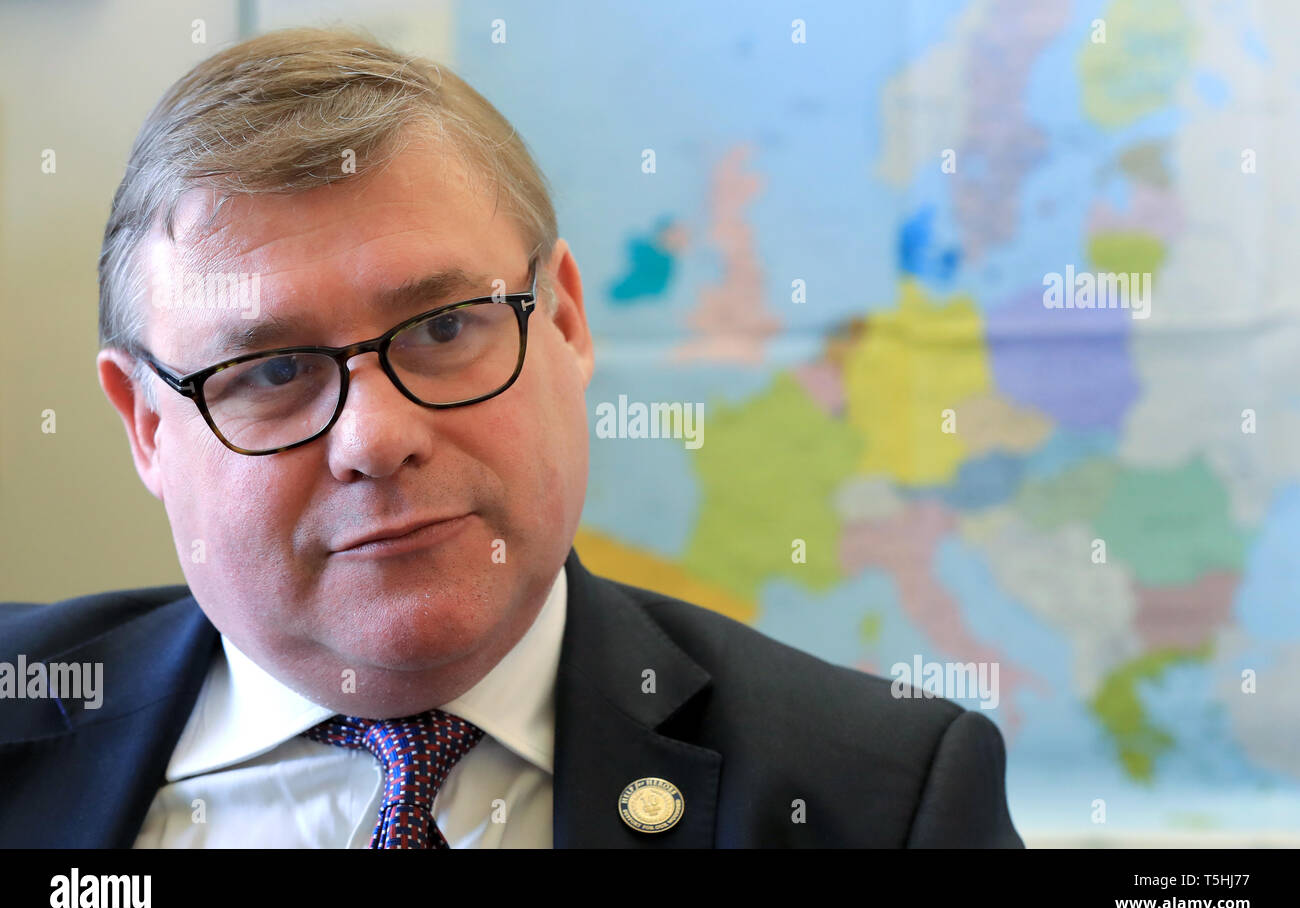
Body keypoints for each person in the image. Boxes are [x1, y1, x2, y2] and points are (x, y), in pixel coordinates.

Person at [0, 27, 1024, 848]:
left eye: (446, 328)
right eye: (273, 371)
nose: (377, 437)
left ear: (568, 322)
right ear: (145, 424)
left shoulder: (883, 799)